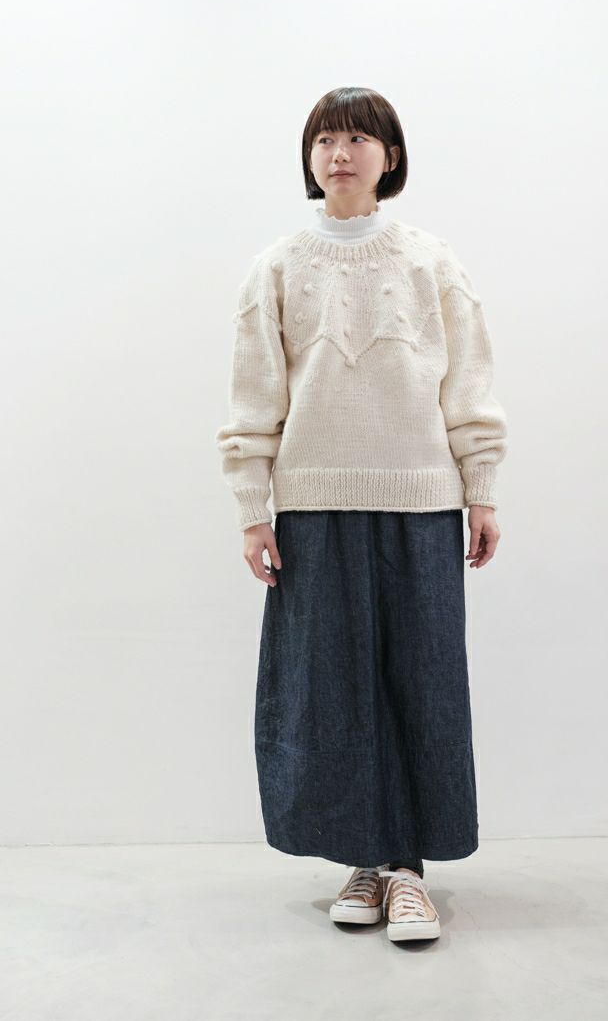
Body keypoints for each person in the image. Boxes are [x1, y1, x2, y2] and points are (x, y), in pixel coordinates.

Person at [215, 86, 508, 944]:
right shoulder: (276, 267)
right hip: (313, 508)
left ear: (390, 155)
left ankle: (409, 870)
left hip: (421, 501)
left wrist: (482, 487)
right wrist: (253, 509)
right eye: (325, 140)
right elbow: (252, 399)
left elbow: (470, 382)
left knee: (422, 681)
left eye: (357, 139)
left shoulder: (431, 261)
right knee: (328, 691)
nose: (339, 154)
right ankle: (367, 860)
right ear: (310, 157)